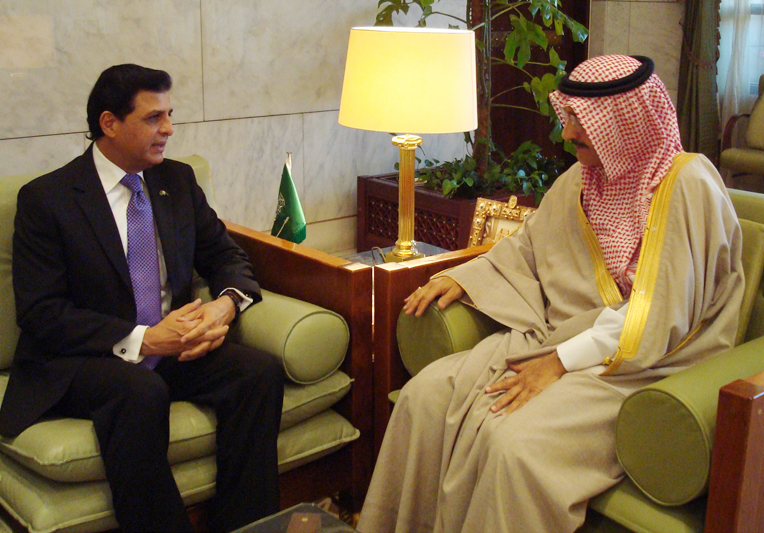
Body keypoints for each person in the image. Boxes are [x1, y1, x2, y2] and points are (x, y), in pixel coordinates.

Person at [357, 55, 744, 533]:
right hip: (557, 336)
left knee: (513, 447)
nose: (567, 134)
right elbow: (526, 248)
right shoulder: (578, 181)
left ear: (622, 122)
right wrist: (468, 276)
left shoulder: (687, 186)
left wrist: (560, 361)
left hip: (640, 367)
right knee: (425, 398)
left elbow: (659, 315)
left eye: (581, 120)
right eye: (569, 117)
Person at [0, 64, 284, 532]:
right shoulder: (47, 200)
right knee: (139, 391)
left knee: (257, 373)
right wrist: (147, 339)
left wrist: (224, 305)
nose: (169, 129)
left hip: (174, 345)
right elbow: (42, 314)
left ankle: (246, 526)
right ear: (109, 123)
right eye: (154, 118)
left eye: (170, 115)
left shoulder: (177, 181)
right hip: (85, 358)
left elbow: (226, 257)